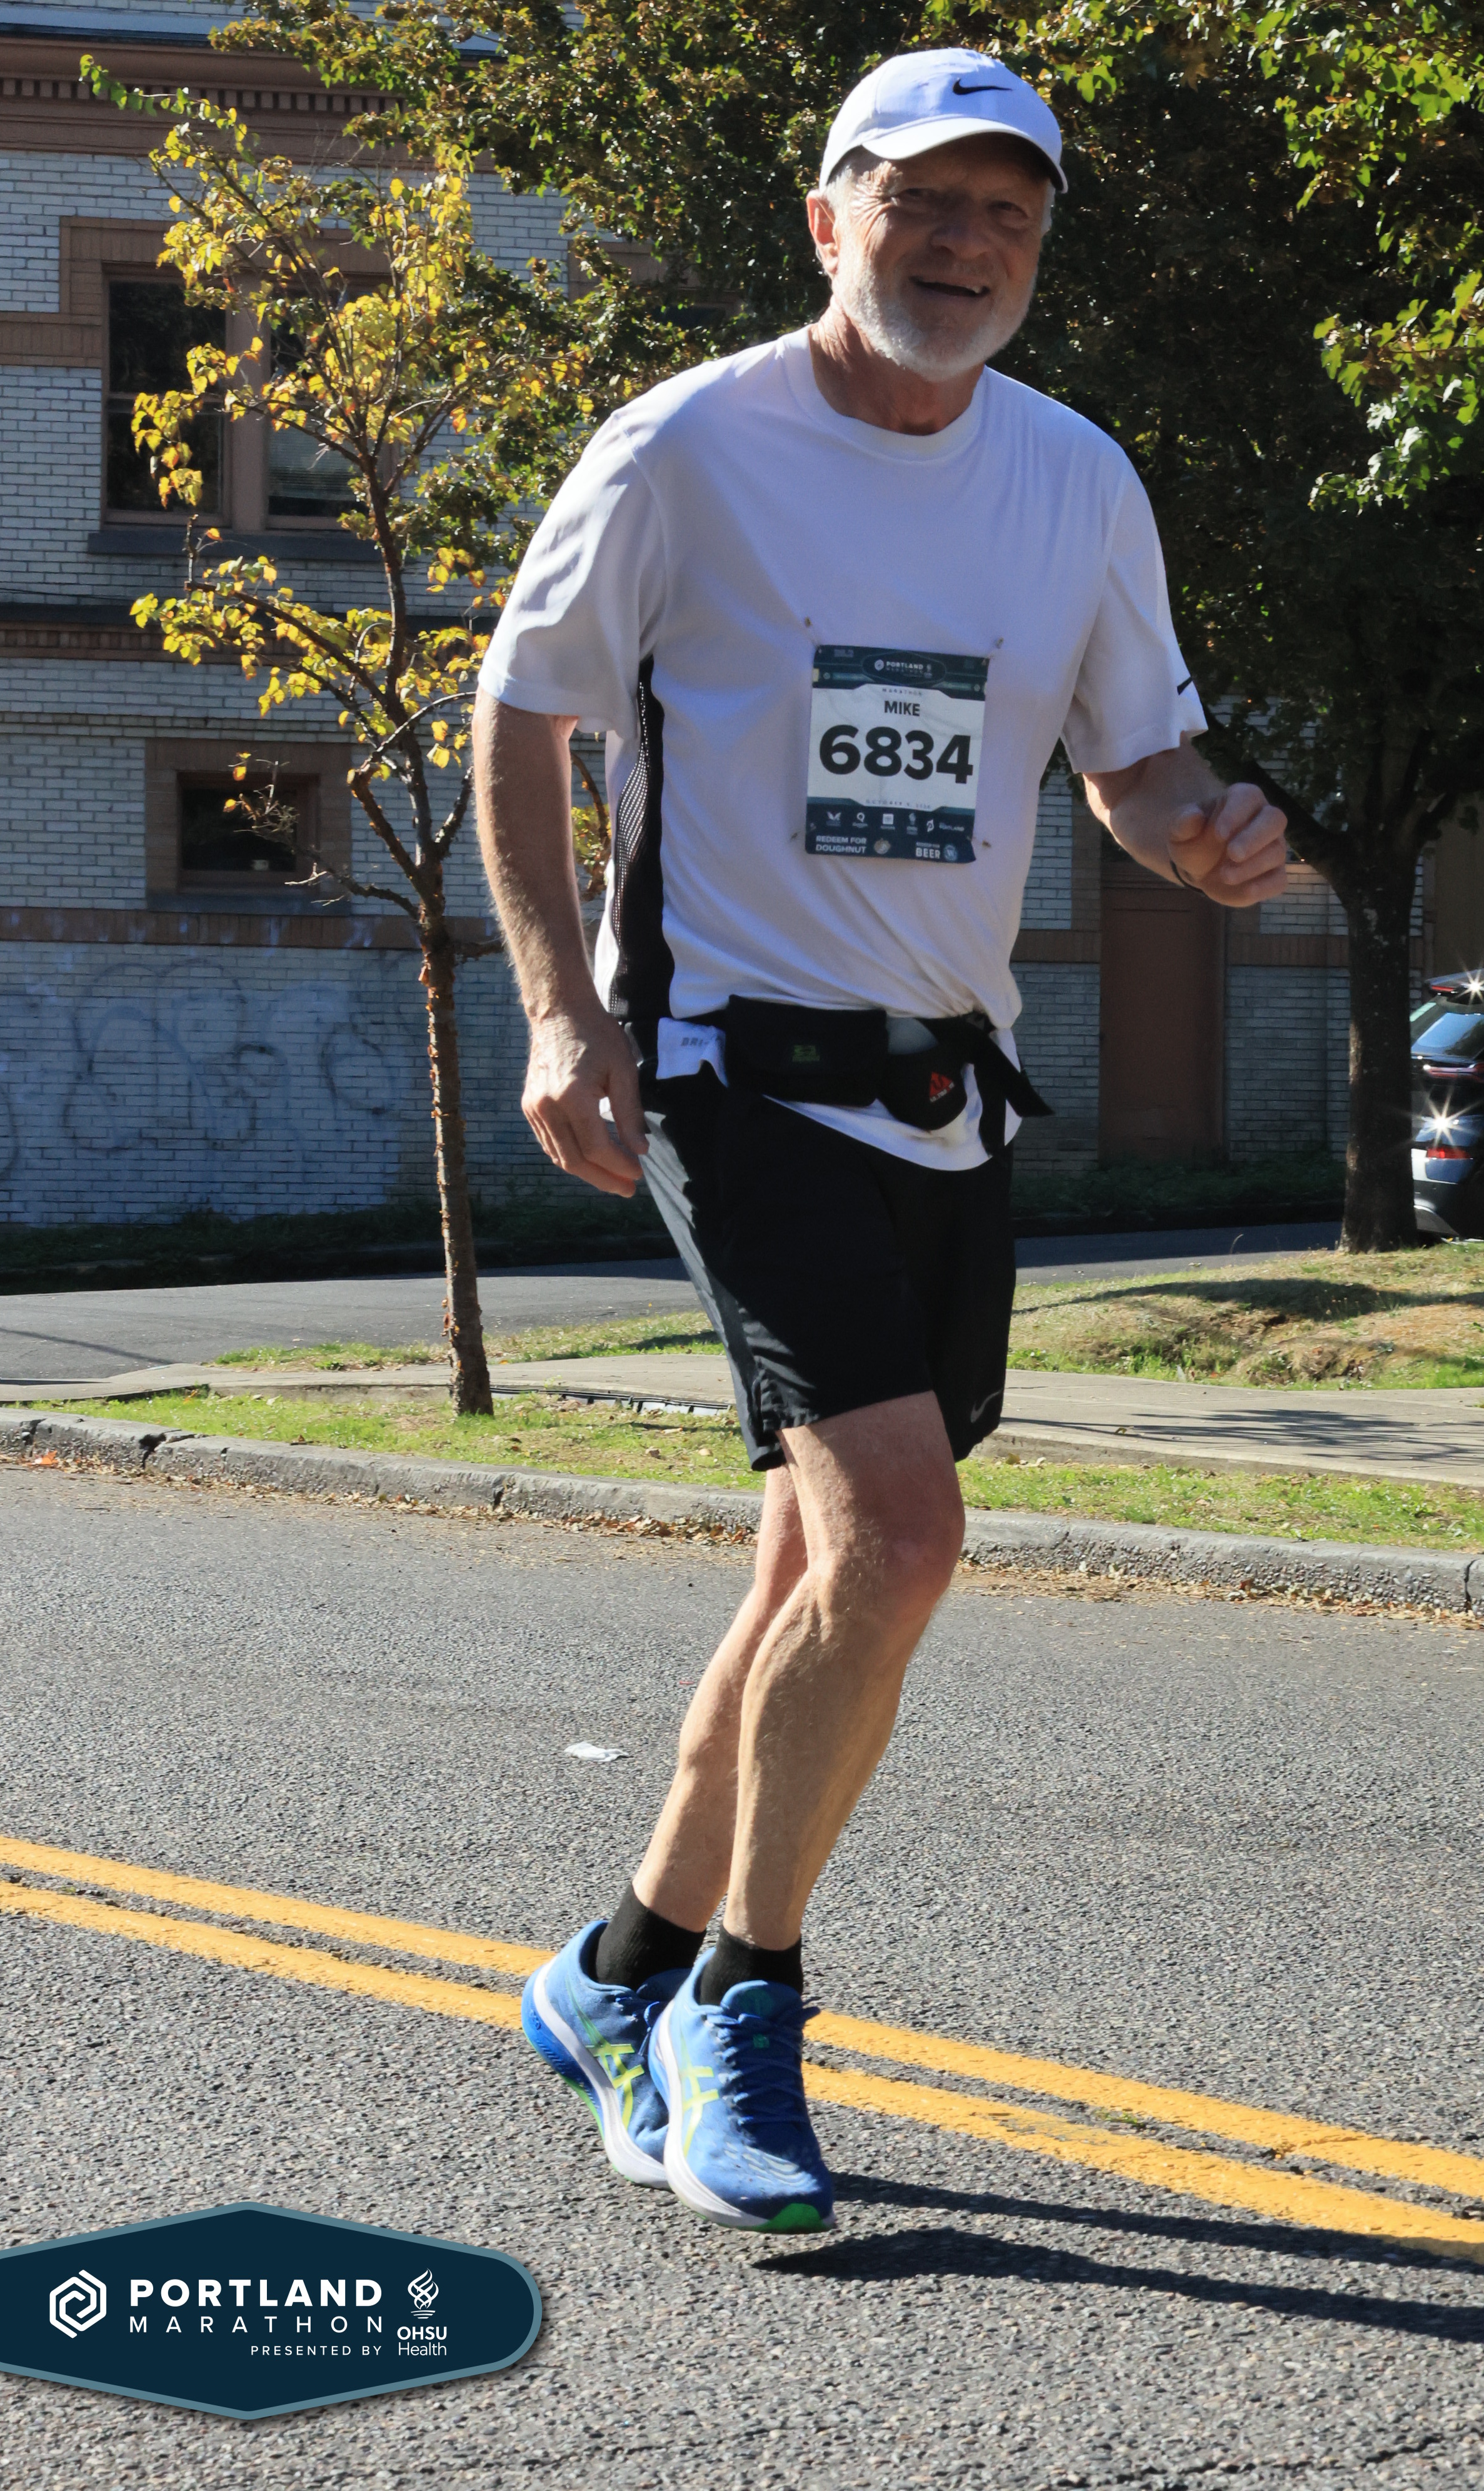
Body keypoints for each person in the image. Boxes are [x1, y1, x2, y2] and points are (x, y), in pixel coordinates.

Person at [473, 47, 1287, 2235]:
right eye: (923, 203)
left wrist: (1201, 827)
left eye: (1008, 214)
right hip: (730, 1065)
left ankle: (608, 1976)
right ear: (830, 217)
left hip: (949, 1086)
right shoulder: (687, 448)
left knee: (813, 1575)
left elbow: (1134, 754)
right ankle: (739, 2009)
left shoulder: (1075, 479)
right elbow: (520, 709)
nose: (965, 246)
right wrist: (559, 1013)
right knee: (901, 1543)